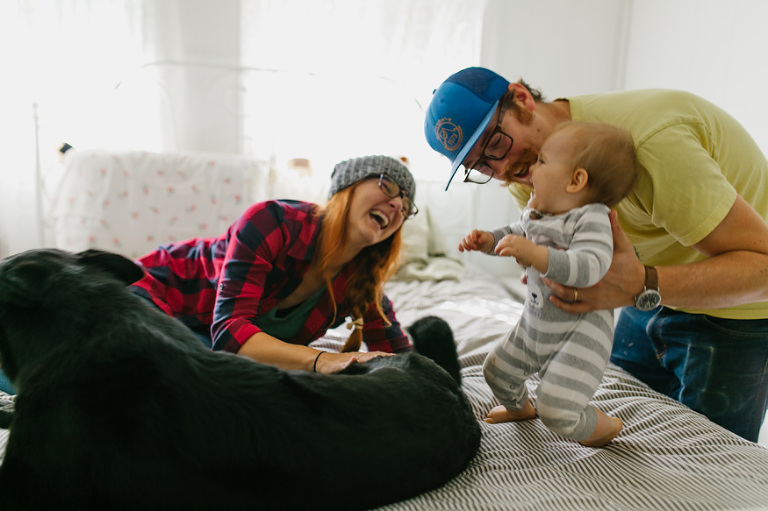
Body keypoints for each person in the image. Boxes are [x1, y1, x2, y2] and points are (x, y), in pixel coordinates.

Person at [425, 66, 768, 442]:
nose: (502, 168)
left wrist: (638, 284)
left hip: (735, 309)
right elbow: (554, 246)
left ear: (521, 99)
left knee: (707, 454)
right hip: (640, 291)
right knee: (632, 428)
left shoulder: (652, 144)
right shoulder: (529, 171)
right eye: (479, 165)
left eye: (494, 144)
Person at [129, 154, 418, 375]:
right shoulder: (272, 221)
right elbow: (230, 334)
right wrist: (322, 360)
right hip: (155, 293)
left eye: (406, 208)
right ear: (348, 186)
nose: (396, 206)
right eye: (388, 186)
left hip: (205, 342)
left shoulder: (361, 284)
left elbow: (405, 362)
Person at [459, 121, 636, 446]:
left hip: (579, 335)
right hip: (535, 325)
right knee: (496, 371)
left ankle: (603, 427)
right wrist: (488, 240)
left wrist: (536, 255)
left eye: (542, 161)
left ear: (575, 180)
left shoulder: (591, 218)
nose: (531, 170)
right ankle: (520, 409)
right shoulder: (537, 212)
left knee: (556, 410)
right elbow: (515, 232)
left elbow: (591, 266)